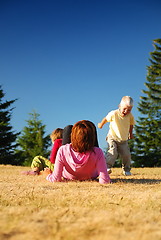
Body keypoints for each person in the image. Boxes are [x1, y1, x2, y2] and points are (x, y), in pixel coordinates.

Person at [45, 120, 111, 184]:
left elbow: (55, 179)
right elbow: (104, 181)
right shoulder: (97, 152)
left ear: (72, 136)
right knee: (91, 127)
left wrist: (49, 175)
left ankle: (78, 133)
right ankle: (87, 134)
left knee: (68, 128)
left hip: (68, 176)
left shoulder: (63, 150)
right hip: (91, 176)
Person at [98, 96, 135, 176]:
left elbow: (131, 125)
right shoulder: (114, 113)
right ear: (119, 106)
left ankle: (126, 170)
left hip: (123, 140)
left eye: (129, 110)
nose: (126, 111)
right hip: (112, 137)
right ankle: (107, 167)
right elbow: (106, 119)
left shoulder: (130, 116)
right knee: (113, 151)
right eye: (124, 109)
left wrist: (130, 134)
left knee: (126, 155)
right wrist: (101, 124)